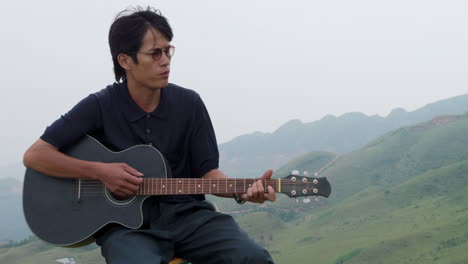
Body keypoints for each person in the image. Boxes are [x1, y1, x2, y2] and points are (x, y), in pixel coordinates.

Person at [23, 6, 276, 264]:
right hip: (128, 231)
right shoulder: (100, 105)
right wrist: (100, 171)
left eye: (168, 51)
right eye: (155, 53)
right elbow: (36, 155)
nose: (165, 60)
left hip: (191, 217)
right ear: (125, 61)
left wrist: (241, 191)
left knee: (253, 258)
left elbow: (208, 173)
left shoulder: (189, 104)